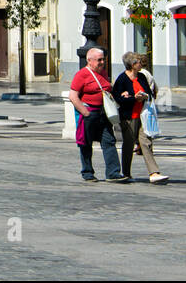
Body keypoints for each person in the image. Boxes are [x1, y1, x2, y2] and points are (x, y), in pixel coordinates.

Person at [68, 47, 126, 182]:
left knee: (109, 141)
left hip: (103, 113)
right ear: (89, 60)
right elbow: (73, 96)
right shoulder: (82, 75)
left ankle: (113, 173)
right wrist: (85, 112)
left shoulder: (104, 73)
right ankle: (87, 173)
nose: (102, 62)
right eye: (99, 60)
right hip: (90, 114)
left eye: (103, 60)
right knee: (86, 144)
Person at [113, 51, 168, 183]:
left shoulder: (142, 76)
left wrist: (144, 96)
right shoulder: (122, 79)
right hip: (129, 116)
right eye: (138, 62)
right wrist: (132, 98)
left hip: (144, 114)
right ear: (132, 65)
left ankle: (154, 173)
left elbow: (149, 92)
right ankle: (126, 172)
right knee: (128, 144)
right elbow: (118, 98)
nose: (140, 64)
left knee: (146, 142)